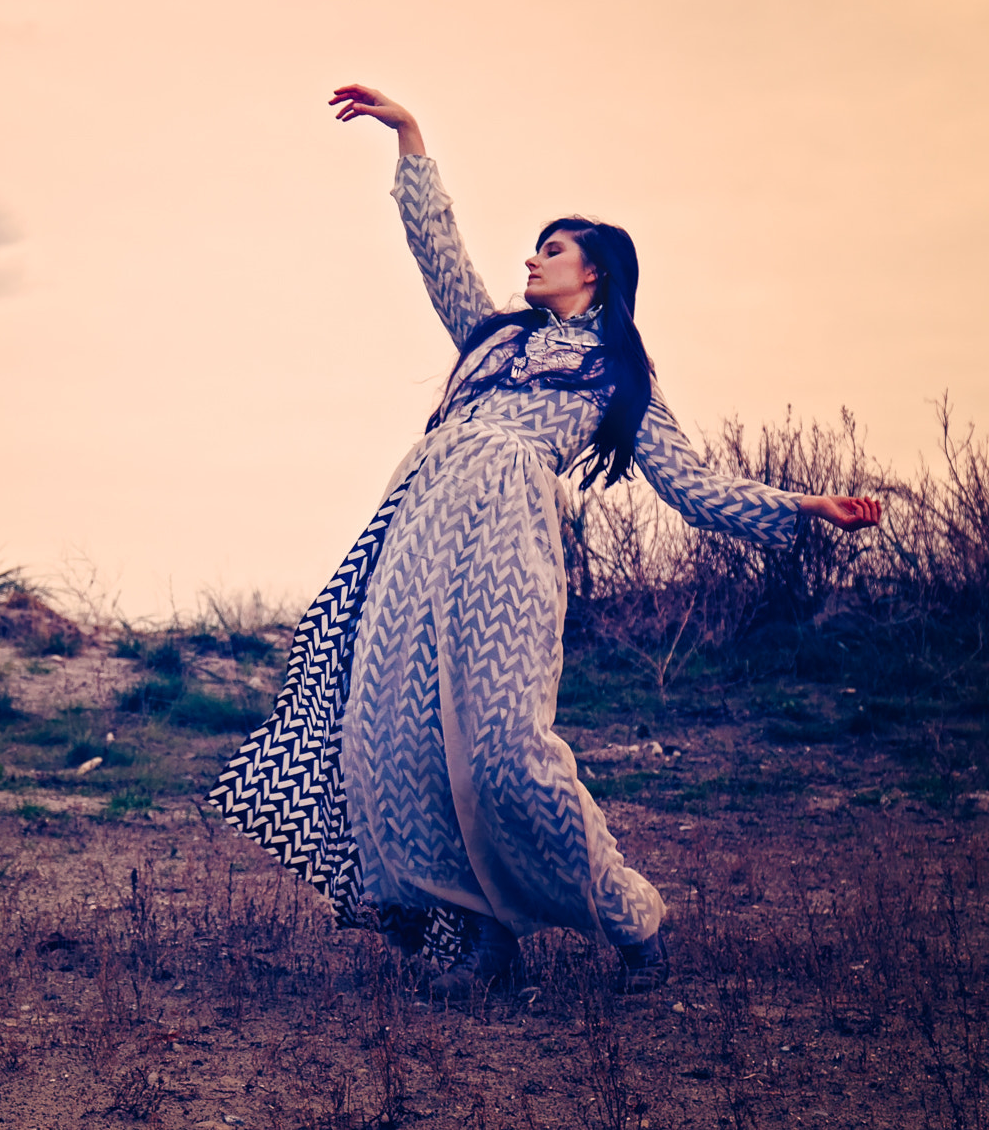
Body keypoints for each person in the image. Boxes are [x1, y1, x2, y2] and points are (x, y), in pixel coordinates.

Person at [208, 85, 880, 1000]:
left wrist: (803, 506)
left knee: (500, 754)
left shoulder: (616, 371)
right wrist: (410, 138)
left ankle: (630, 917)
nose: (533, 257)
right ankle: (480, 944)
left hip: (505, 546)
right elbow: (437, 252)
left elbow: (690, 483)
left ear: (593, 272)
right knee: (396, 745)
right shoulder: (490, 337)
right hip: (417, 531)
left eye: (553, 248)